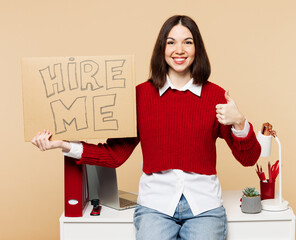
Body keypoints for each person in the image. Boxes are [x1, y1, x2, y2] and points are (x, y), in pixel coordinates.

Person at [32, 15, 261, 240]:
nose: (179, 50)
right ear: (162, 48)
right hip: (155, 207)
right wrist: (64, 145)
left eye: (187, 42)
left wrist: (239, 122)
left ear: (197, 49)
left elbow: (249, 159)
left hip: (204, 207)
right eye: (171, 42)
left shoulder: (216, 97)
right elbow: (114, 156)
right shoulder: (140, 95)